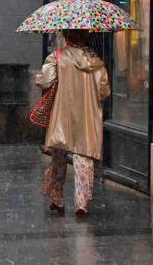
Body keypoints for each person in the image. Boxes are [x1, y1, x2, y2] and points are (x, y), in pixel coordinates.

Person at [37, 29, 110, 217]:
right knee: (83, 159)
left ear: (65, 35)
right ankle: (81, 203)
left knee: (58, 157)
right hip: (87, 116)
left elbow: (45, 81)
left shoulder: (57, 57)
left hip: (63, 114)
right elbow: (104, 92)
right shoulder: (95, 62)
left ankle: (58, 198)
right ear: (85, 36)